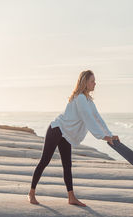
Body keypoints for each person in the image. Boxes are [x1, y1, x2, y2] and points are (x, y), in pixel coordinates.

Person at [27, 70, 119, 206]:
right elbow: (88, 119)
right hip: (57, 129)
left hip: (66, 134)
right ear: (85, 83)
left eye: (94, 81)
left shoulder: (88, 100)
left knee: (67, 165)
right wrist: (103, 137)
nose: (95, 83)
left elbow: (97, 118)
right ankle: (31, 193)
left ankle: (71, 197)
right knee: (45, 161)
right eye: (92, 81)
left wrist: (109, 134)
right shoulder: (80, 98)